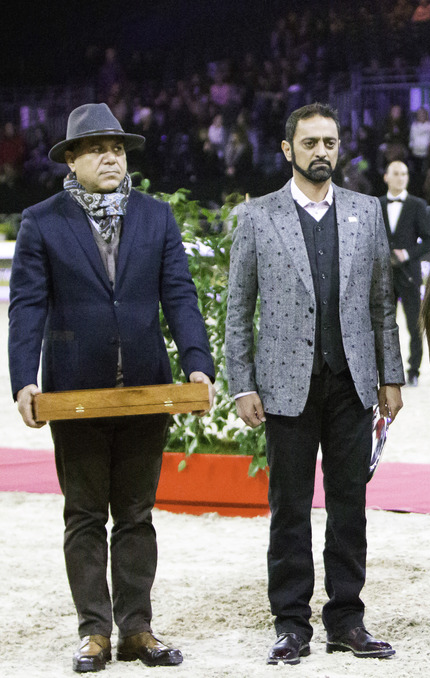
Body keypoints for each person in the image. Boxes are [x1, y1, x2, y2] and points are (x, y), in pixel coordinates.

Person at [8, 103, 216, 672]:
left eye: (118, 148)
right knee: (82, 515)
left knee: (136, 514)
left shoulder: (155, 216)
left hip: (147, 390)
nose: (110, 156)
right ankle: (94, 632)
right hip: (74, 392)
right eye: (97, 148)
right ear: (71, 159)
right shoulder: (41, 221)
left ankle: (137, 629)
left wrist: (198, 362)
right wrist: (23, 378)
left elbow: (179, 295)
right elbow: (26, 307)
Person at [225, 103, 405, 665]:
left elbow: (382, 303)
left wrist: (391, 376)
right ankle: (291, 622)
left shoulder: (366, 210)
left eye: (329, 141)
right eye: (310, 143)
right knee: (290, 507)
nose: (321, 151)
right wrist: (241, 383)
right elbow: (238, 309)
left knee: (350, 505)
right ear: (288, 150)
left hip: (352, 384)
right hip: (282, 387)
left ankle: (347, 619)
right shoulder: (257, 216)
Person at [379, 160, 430, 386]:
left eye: (404, 174)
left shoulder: (417, 205)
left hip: (409, 275)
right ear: (386, 177)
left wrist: (407, 254)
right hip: (383, 276)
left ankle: (413, 370)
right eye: (396, 173)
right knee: (382, 326)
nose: (401, 177)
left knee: (414, 324)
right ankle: (385, 371)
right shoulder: (377, 204)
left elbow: (429, 240)